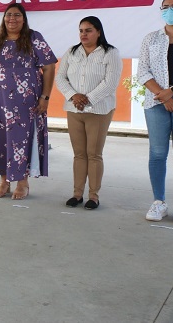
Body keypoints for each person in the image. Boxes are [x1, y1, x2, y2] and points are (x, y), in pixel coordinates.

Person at [0, 3, 57, 200]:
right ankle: (4, 180)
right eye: (8, 15)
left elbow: (49, 67)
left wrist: (45, 97)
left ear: (24, 18)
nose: (12, 19)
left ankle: (22, 182)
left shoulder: (33, 38)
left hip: (26, 102)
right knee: (0, 138)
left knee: (22, 140)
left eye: (17, 15)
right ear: (3, 18)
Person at [55, 17, 122, 210]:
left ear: (99, 32)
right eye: (81, 30)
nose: (84, 34)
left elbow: (110, 83)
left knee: (93, 154)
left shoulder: (110, 53)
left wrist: (87, 99)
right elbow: (60, 77)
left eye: (89, 30)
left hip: (99, 110)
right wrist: (73, 95)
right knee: (79, 154)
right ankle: (77, 194)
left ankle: (93, 196)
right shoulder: (72, 52)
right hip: (74, 108)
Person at [138, 0, 173, 222]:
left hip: (168, 96)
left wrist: (171, 90)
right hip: (155, 104)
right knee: (157, 153)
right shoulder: (151, 38)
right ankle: (158, 202)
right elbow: (143, 71)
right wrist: (163, 96)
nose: (169, 10)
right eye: (165, 7)